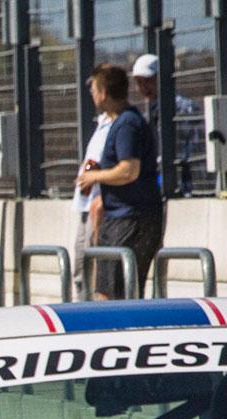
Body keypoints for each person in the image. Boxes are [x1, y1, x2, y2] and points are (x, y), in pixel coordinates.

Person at [78, 63, 164, 301]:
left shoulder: (127, 123)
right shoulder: (122, 122)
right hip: (123, 216)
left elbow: (129, 170)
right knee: (117, 291)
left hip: (129, 219)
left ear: (104, 92)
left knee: (111, 295)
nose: (93, 95)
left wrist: (93, 176)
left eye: (94, 89)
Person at [131, 54, 201, 196]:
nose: (144, 87)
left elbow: (185, 150)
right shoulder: (149, 111)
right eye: (139, 82)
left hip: (187, 185)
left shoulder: (181, 107)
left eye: (149, 81)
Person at [72, 110, 116, 299]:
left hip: (99, 206)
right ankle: (83, 307)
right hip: (85, 204)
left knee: (96, 266)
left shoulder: (119, 123)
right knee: (80, 266)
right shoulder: (102, 122)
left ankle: (94, 310)